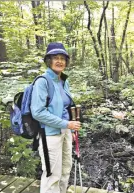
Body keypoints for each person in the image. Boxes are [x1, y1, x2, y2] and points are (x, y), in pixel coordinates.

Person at [31, 42, 81, 193]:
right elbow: (38, 112)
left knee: (66, 169)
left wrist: (70, 129)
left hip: (65, 131)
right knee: (52, 174)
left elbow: (65, 107)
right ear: (49, 61)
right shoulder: (42, 81)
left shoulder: (63, 81)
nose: (59, 61)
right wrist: (66, 124)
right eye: (55, 57)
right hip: (49, 134)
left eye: (63, 58)